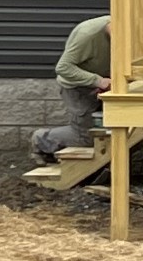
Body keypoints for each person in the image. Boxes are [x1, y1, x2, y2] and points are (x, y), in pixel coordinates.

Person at [32, 15, 111, 157]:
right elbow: (63, 68)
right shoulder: (88, 34)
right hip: (77, 88)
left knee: (106, 131)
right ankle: (41, 139)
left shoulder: (130, 32)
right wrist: (99, 81)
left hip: (102, 85)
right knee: (86, 137)